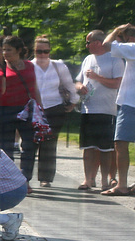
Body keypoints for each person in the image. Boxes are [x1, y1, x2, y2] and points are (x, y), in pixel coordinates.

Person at [75, 30, 124, 191]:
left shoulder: (114, 59)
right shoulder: (88, 59)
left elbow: (118, 83)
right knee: (88, 147)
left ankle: (105, 181)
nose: (86, 45)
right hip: (88, 109)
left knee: (105, 148)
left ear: (97, 42)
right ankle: (88, 180)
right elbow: (78, 81)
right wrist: (80, 87)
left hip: (107, 110)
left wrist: (97, 78)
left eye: (88, 42)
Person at [31, 35, 79, 188]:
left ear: (50, 51)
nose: (43, 55)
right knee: (31, 144)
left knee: (49, 144)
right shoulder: (29, 66)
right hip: (34, 109)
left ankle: (46, 178)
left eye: (46, 51)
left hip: (54, 108)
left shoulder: (59, 66)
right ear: (34, 51)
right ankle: (24, 177)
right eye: (39, 51)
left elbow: (70, 85)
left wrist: (73, 102)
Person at [1, 36, 42, 194]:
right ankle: (10, 179)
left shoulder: (29, 66)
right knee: (7, 146)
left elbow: (35, 87)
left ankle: (25, 179)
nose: (5, 53)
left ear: (19, 50)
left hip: (27, 109)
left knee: (29, 146)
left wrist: (40, 106)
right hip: (6, 110)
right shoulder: (0, 67)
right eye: (4, 49)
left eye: (9, 50)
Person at [100, 24, 135, 196]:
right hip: (130, 102)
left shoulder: (133, 48)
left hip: (130, 102)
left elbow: (105, 45)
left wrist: (115, 30)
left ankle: (122, 184)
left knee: (121, 143)